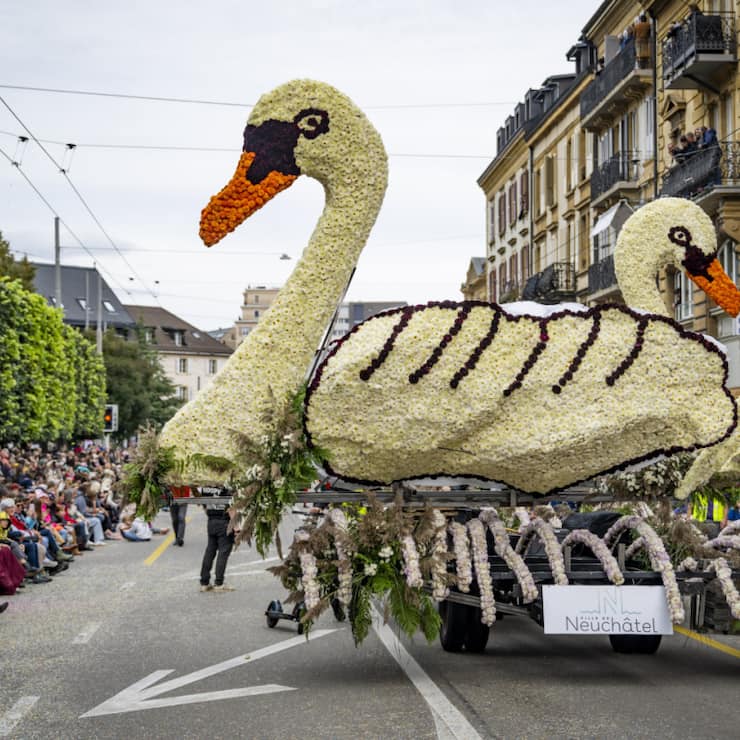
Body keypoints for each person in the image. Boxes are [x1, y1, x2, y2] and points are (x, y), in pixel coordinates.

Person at [199, 499, 237, 593]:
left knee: (210, 551)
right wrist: (236, 527)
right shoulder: (226, 487)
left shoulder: (206, 487)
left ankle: (204, 583)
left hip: (211, 522)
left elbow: (204, 505)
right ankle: (219, 583)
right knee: (223, 553)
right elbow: (231, 508)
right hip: (224, 522)